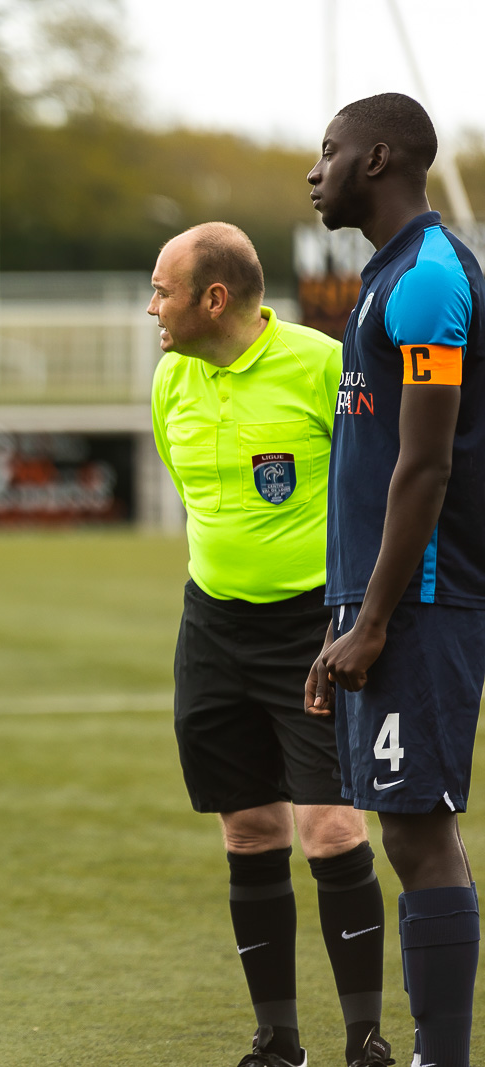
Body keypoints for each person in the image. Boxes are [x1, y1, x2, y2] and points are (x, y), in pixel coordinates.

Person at [149, 222, 392, 1067]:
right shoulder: (170, 380)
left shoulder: (324, 366)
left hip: (314, 629)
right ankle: (278, 1041)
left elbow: (383, 490)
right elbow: (194, 498)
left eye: (162, 291)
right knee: (250, 830)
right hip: (212, 627)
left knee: (330, 827)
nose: (152, 308)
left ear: (213, 299)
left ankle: (364, 1038)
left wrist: (355, 616)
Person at [305, 93, 485, 1067]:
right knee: (406, 825)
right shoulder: (385, 277)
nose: (314, 171)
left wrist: (373, 618)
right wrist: (345, 611)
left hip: (420, 598)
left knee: (418, 828)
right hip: (382, 598)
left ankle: (441, 1056)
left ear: (376, 159)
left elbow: (425, 465)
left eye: (328, 151)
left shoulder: (427, 278)